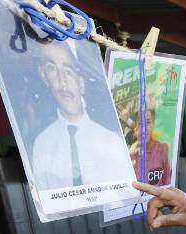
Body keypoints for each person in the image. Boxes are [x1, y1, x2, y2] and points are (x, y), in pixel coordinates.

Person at [30, 41, 129, 190]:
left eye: (68, 71)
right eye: (52, 69)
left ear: (81, 84)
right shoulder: (42, 143)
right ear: (44, 77)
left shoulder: (111, 141)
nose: (62, 82)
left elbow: (124, 194)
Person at [129, 107, 171, 186]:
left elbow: (168, 183)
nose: (144, 128)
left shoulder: (162, 150)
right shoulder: (130, 154)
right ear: (135, 127)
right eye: (140, 123)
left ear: (153, 124)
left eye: (147, 123)